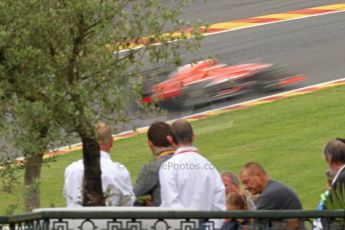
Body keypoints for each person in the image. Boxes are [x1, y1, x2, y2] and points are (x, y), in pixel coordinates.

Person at [159, 119, 226, 227]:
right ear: (193, 137)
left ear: (170, 139)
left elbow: (171, 204)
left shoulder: (168, 168)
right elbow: (219, 203)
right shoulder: (209, 166)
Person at [63, 122, 135, 207]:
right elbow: (128, 204)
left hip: (76, 219)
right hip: (108, 218)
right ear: (111, 141)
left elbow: (69, 198)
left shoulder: (71, 170)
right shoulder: (120, 171)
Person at [133, 121, 176, 206]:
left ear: (150, 144)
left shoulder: (152, 169)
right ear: (171, 139)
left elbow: (133, 194)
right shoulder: (189, 160)